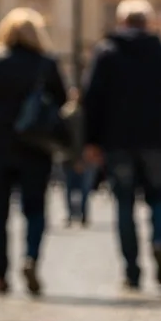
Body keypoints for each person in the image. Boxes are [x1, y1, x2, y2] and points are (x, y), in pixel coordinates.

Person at [83, 0, 161, 290]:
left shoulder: (106, 52)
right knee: (157, 197)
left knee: (124, 204)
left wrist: (91, 140)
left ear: (121, 21)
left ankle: (132, 269)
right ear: (149, 22)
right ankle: (159, 240)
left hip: (117, 141)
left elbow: (92, 99)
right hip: (158, 140)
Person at [0, 8, 67, 295]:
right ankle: (31, 257)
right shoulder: (46, 63)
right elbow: (60, 100)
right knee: (35, 208)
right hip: (35, 145)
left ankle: (0, 275)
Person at [61, 92, 94, 227]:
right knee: (83, 189)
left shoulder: (66, 114)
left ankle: (72, 214)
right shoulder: (82, 115)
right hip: (82, 156)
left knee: (71, 188)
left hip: (70, 157)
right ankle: (82, 215)